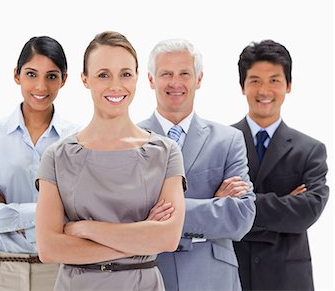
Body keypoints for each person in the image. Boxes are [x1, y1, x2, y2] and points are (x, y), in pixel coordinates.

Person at [35, 31, 186, 291]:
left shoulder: (165, 152)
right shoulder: (58, 156)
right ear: (85, 79)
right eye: (103, 74)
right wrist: (139, 239)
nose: (116, 85)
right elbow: (49, 248)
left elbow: (167, 238)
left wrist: (87, 229)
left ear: (138, 77)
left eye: (125, 74)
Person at [138, 38, 256, 291]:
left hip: (213, 277)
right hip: (150, 274)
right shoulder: (130, 141)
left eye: (184, 73)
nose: (175, 82)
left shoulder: (228, 140)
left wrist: (158, 214)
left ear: (199, 79)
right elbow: (125, 214)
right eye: (166, 73)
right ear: (150, 80)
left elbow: (241, 217)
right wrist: (214, 204)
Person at [0, 36, 81, 291]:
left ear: (64, 79)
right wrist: (48, 215)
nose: (41, 85)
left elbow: (81, 217)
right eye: (31, 74)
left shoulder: (76, 140)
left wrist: (6, 209)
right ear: (17, 75)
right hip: (2, 272)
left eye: (51, 76)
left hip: (60, 271)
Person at [232, 39, 329, 291]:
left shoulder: (310, 150)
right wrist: (284, 205)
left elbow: (306, 213)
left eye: (274, 80)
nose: (264, 90)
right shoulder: (221, 143)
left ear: (288, 86)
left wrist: (241, 205)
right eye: (255, 81)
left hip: (287, 280)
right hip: (233, 276)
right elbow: (214, 211)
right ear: (243, 86)